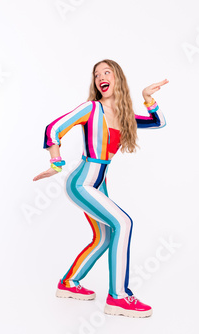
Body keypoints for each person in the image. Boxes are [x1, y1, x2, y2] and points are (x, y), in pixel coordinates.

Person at [33, 59, 168, 318]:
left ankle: (69, 283)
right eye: (96, 75)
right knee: (123, 223)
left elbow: (158, 122)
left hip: (99, 183)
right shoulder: (91, 109)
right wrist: (56, 163)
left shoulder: (126, 117)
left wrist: (147, 97)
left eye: (106, 72)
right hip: (82, 182)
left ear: (118, 78)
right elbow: (53, 128)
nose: (100, 77)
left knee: (105, 237)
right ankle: (118, 296)